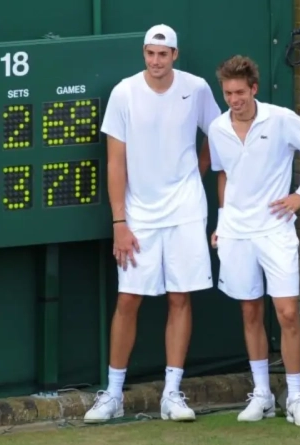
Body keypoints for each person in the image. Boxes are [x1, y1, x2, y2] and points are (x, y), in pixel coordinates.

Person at [84, 24, 221, 423]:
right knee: (129, 299)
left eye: (163, 54)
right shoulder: (124, 93)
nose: (156, 61)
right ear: (143, 54)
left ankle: (172, 394)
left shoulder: (195, 89)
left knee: (180, 296)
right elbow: (115, 161)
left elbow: (218, 132)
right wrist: (119, 221)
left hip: (185, 210)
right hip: (137, 215)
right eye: (150, 53)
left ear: (175, 55)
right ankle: (112, 395)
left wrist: (196, 172)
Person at [207, 55, 300, 427]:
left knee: (288, 313)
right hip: (235, 232)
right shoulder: (217, 128)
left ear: (254, 89)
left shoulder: (280, 119)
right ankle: (262, 395)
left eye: (239, 92)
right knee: (250, 312)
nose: (234, 99)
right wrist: (222, 220)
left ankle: (295, 397)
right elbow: (224, 176)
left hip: (276, 230)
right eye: (228, 92)